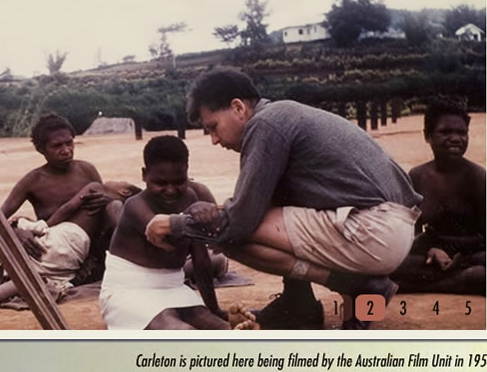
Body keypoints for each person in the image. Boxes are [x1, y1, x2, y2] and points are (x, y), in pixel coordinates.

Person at [144, 68, 422, 330]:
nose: (215, 139)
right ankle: (299, 303)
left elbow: (239, 221)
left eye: (213, 127)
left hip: (374, 230)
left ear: (239, 108)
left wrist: (176, 225)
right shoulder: (283, 115)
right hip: (392, 230)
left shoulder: (266, 124)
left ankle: (356, 285)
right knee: (262, 210)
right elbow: (264, 204)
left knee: (227, 236)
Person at [0, 113, 123, 287]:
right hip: (50, 248)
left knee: (115, 206)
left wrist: (107, 199)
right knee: (13, 233)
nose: (66, 150)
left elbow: (101, 203)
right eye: (57, 146)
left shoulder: (86, 170)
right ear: (41, 149)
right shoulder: (33, 180)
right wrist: (15, 233)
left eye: (69, 143)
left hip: (88, 248)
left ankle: (128, 264)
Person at [99, 135, 229, 330]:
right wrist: (196, 215)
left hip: (174, 288)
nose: (170, 190)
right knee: (182, 332)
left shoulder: (190, 198)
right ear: (144, 175)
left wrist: (213, 309)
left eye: (178, 182)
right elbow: (165, 235)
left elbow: (201, 261)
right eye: (160, 183)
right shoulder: (135, 205)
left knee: (222, 329)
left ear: (187, 174)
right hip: (128, 292)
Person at [390, 98, 485, 295]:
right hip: (431, 255)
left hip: (473, 253)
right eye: (445, 132)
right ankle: (459, 282)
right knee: (386, 264)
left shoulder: (478, 177)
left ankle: (434, 284)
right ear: (428, 136)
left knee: (486, 271)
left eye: (461, 132)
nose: (456, 138)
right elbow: (407, 233)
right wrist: (431, 250)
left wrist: (463, 257)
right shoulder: (417, 177)